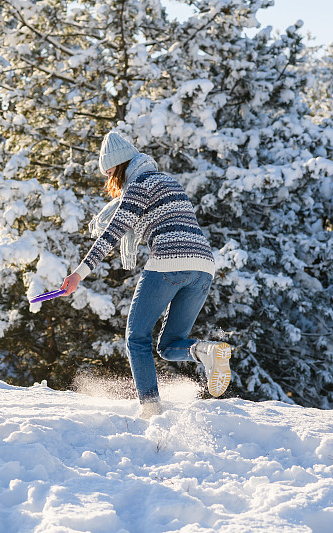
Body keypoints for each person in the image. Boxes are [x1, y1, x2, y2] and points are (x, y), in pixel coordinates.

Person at [60, 131, 232, 418]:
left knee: (136, 337)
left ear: (121, 166)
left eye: (111, 173)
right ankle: (205, 351)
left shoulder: (138, 185)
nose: (111, 181)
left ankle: (150, 407)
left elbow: (111, 234)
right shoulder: (168, 181)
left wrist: (78, 274)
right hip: (203, 267)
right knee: (168, 345)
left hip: (168, 262)